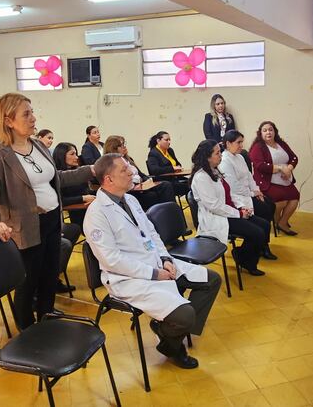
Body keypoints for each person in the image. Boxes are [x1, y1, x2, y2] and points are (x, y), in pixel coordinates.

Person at [85, 153, 221, 369]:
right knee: (186, 315)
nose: (132, 172)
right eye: (124, 170)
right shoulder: (96, 214)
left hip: (156, 261)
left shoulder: (129, 199)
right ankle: (175, 341)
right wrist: (154, 273)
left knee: (212, 280)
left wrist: (165, 258)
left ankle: (169, 338)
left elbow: (150, 233)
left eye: (130, 167)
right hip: (127, 278)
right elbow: (111, 260)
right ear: (108, 179)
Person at [0, 93, 94, 330]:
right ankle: (27, 329)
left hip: (51, 219)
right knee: (28, 281)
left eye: (32, 112)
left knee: (50, 274)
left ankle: (46, 314)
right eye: (26, 114)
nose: (33, 118)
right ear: (8, 120)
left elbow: (55, 177)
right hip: (26, 226)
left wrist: (89, 170)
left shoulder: (37, 145)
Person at [190, 140, 266, 276]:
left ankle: (241, 254)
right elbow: (214, 206)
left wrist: (242, 207)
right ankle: (246, 261)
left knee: (264, 225)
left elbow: (228, 194)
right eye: (217, 153)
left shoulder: (214, 171)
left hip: (229, 212)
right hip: (218, 218)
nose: (221, 155)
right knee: (257, 233)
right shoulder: (201, 177)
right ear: (207, 156)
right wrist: (239, 213)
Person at [219, 130, 277, 259]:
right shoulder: (225, 161)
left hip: (248, 193)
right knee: (264, 209)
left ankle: (262, 243)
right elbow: (233, 186)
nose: (241, 146)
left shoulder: (240, 157)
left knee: (270, 205)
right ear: (228, 143)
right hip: (238, 197)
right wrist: (252, 193)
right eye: (238, 142)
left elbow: (249, 177)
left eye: (242, 142)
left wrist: (257, 191)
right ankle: (262, 245)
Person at [249, 121, 300, 236]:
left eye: (271, 130)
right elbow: (259, 165)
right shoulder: (258, 147)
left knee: (294, 198)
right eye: (265, 130)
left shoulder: (281, 143)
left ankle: (282, 223)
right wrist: (281, 168)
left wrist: (289, 168)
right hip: (267, 183)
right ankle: (274, 222)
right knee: (281, 200)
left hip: (285, 181)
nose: (268, 132)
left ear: (275, 132)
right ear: (260, 133)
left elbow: (294, 157)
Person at [103, 135, 176, 211]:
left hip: (141, 186)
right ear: (114, 148)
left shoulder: (128, 159)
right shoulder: (112, 164)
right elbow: (120, 180)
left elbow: (140, 174)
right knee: (152, 196)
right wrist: (135, 184)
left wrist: (148, 179)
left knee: (166, 185)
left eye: (124, 144)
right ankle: (157, 217)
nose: (124, 147)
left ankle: (171, 213)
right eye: (121, 145)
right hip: (130, 191)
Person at [52, 142, 95, 228]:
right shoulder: (56, 176)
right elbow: (61, 200)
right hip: (77, 210)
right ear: (62, 156)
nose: (76, 157)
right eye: (72, 154)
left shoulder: (77, 172)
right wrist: (83, 198)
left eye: (76, 154)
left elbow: (86, 191)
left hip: (86, 206)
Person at [146, 131, 190, 196]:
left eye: (169, 140)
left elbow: (177, 164)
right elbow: (154, 170)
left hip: (175, 178)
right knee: (188, 185)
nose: (169, 142)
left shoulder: (170, 150)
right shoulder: (153, 153)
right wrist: (172, 168)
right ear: (158, 141)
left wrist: (178, 168)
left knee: (192, 181)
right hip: (164, 181)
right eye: (166, 140)